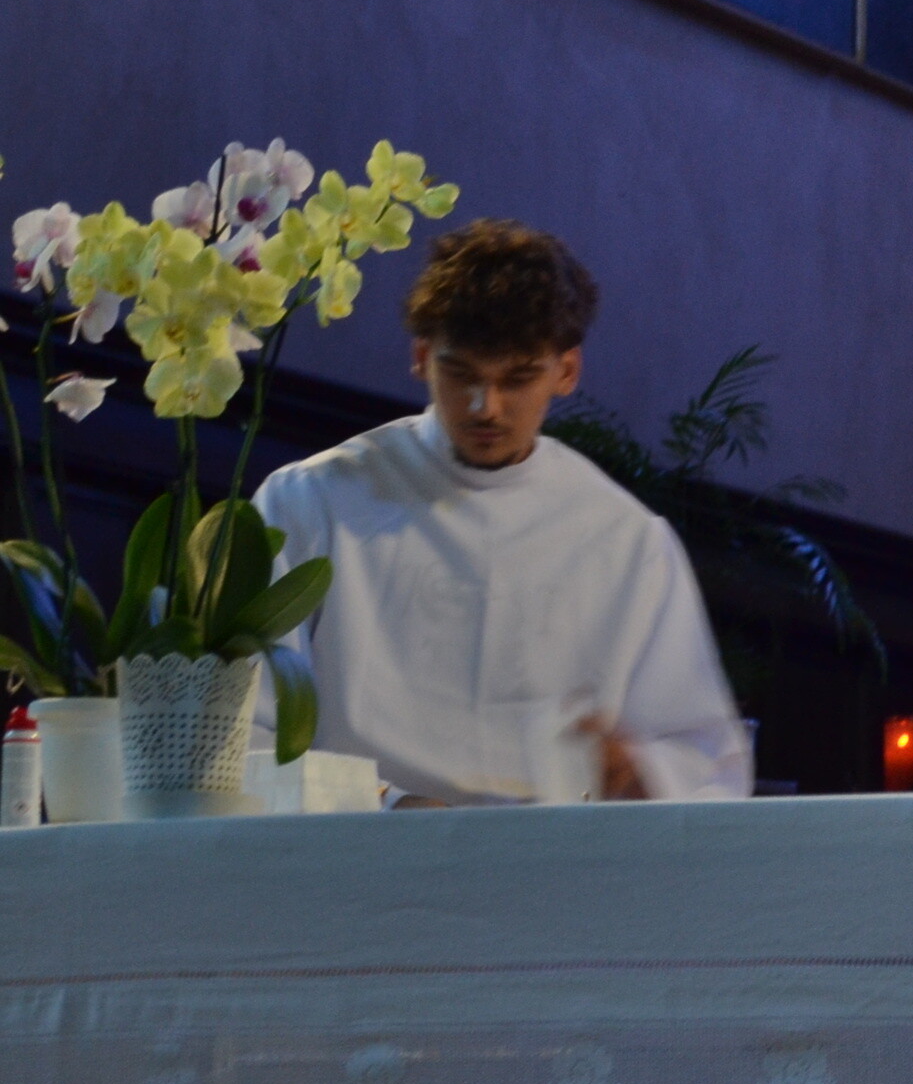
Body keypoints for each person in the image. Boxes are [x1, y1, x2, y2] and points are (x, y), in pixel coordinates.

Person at [253, 221, 751, 804]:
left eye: (517, 379)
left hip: (548, 853)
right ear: (421, 358)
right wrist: (386, 803)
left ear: (567, 371)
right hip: (357, 840)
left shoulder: (626, 540)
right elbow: (240, 729)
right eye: (461, 373)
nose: (485, 407)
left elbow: (704, 760)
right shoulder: (310, 500)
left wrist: (642, 772)